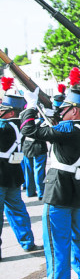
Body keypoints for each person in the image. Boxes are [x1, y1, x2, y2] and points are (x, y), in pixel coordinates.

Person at [22, 88, 80, 279]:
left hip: (59, 188)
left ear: (74, 111)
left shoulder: (67, 127)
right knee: (78, 235)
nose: (60, 112)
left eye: (63, 109)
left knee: (56, 243)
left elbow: (28, 129)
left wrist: (30, 107)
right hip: (75, 186)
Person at [0, 90, 40, 262]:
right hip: (13, 174)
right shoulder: (20, 124)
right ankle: (27, 241)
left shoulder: (4, 126)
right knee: (17, 210)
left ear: (10, 112)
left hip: (1, 173)